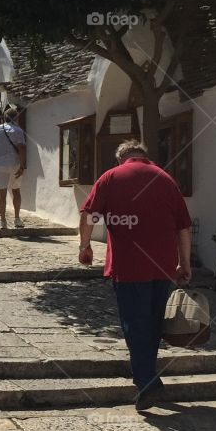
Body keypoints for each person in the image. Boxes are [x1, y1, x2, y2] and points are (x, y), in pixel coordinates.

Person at [78, 139, 191, 412]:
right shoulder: (166, 179)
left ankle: (147, 382)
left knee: (133, 322)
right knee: (152, 324)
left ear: (121, 159)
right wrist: (184, 263)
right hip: (162, 265)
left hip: (128, 265)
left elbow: (89, 215)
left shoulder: (111, 177)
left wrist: (85, 247)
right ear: (144, 156)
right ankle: (148, 378)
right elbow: (184, 227)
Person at [0, 106, 27, 229]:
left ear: (4, 118)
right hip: (14, 164)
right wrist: (22, 165)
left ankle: (3, 221)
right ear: (16, 118)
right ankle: (16, 218)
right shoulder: (18, 131)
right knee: (16, 191)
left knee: (2, 193)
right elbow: (21, 148)